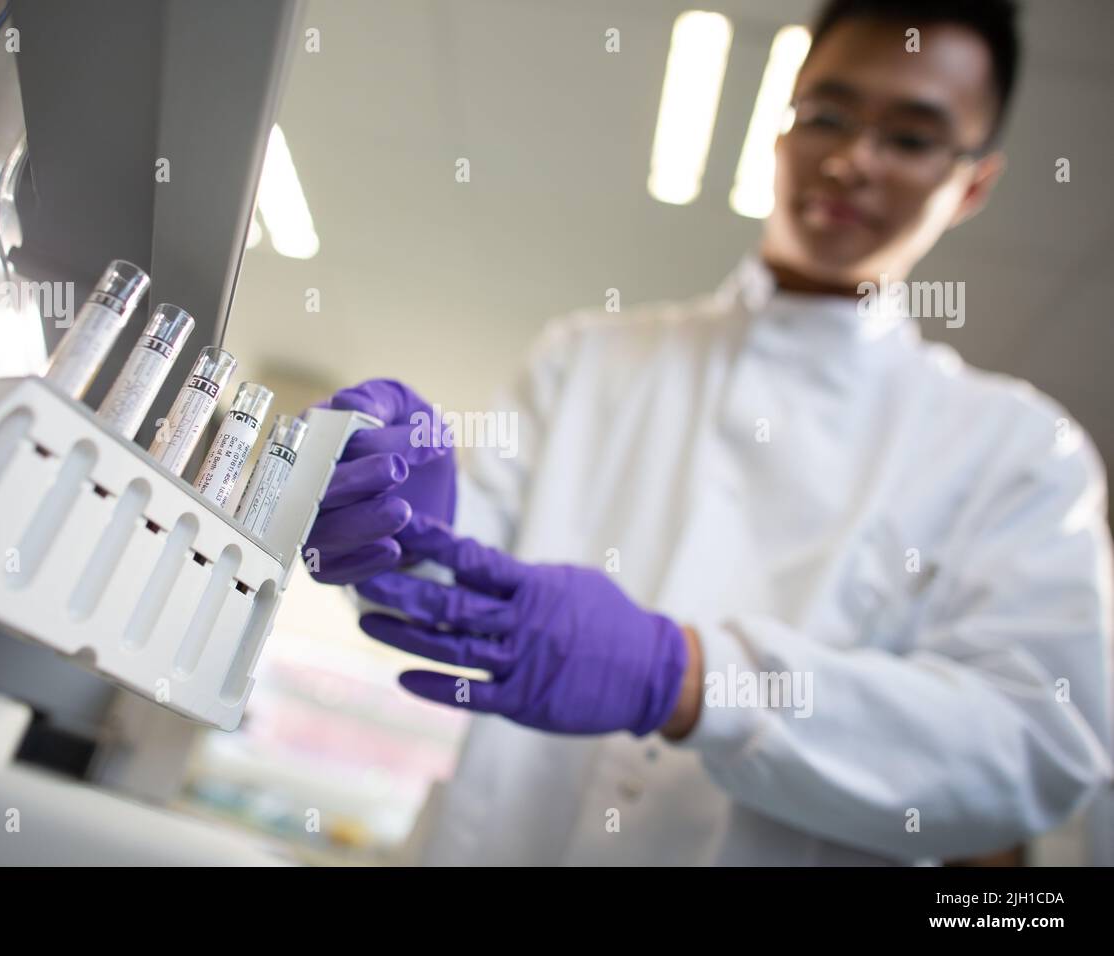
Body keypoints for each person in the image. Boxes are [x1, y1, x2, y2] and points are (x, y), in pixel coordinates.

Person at [303, 0, 1113, 865]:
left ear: (973, 184)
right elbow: (461, 584)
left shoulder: (1017, 451)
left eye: (911, 138)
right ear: (782, 127)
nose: (849, 161)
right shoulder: (591, 356)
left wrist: (689, 679)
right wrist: (403, 518)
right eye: (827, 117)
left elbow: (1039, 746)